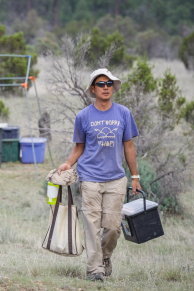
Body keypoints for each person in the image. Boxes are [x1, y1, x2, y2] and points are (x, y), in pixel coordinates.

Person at [58, 68, 141, 282]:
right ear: (93, 89)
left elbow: (129, 146)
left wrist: (135, 176)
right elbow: (79, 147)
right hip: (90, 178)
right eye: (101, 84)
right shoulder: (83, 116)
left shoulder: (123, 113)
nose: (106, 87)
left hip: (116, 179)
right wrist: (68, 163)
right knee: (92, 225)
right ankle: (94, 269)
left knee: (113, 227)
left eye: (109, 84)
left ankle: (104, 257)